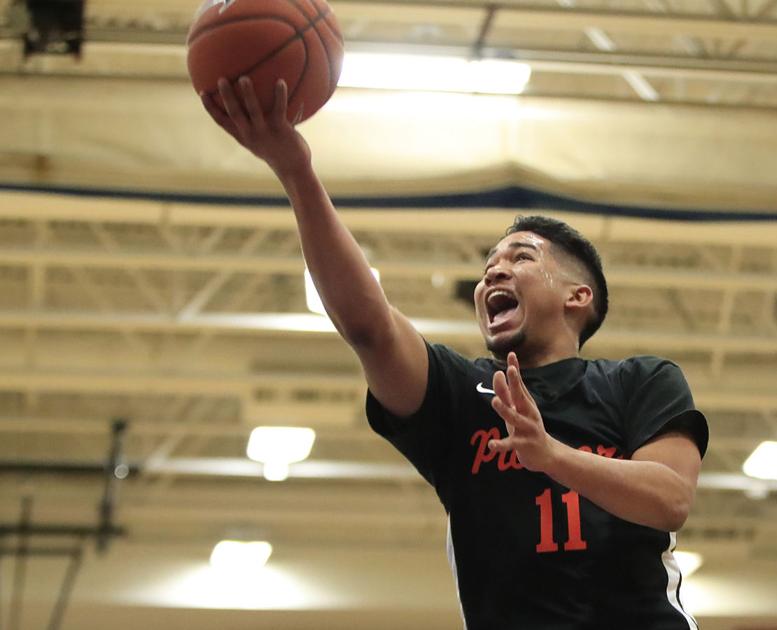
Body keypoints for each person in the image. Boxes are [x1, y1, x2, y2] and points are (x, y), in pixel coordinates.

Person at [202, 77, 709, 629]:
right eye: (489, 263)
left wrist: (550, 455)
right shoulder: (463, 396)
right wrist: (295, 170)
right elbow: (368, 325)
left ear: (577, 296)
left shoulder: (640, 380)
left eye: (520, 257)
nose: (494, 269)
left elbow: (669, 498)